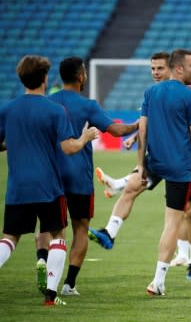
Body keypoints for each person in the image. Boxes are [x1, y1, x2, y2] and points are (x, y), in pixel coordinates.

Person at [89, 52, 191, 280]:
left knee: (188, 212)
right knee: (133, 187)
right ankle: (109, 232)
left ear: (172, 69)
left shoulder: (190, 94)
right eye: (152, 69)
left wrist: (190, 135)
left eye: (159, 69)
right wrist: (135, 141)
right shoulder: (153, 94)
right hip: (163, 156)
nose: (155, 73)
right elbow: (146, 126)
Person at [32, 57, 138, 297]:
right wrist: (140, 123)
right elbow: (116, 131)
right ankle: (69, 284)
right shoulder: (87, 105)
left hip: (51, 175)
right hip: (79, 176)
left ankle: (42, 258)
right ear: (81, 76)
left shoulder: (47, 102)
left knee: (49, 226)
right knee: (81, 229)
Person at [0, 55, 98, 306]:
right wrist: (86, 137)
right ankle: (51, 296)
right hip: (49, 187)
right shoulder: (55, 110)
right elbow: (69, 148)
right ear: (44, 78)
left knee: (9, 238)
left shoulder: (7, 109)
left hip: (17, 187)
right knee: (58, 234)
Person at [138, 48, 191, 295]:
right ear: (179, 68)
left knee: (136, 194)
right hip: (179, 168)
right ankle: (158, 280)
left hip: (155, 161)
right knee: (172, 224)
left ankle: (119, 194)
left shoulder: (151, 92)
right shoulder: (189, 96)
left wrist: (141, 165)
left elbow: (142, 131)